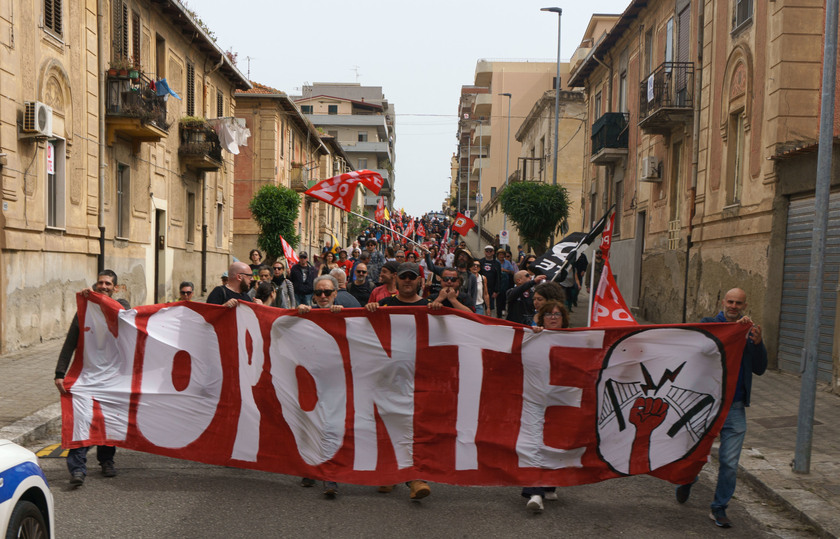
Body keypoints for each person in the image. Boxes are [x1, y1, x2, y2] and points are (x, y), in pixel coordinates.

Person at [675, 288, 767, 529]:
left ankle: (719, 508)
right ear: (723, 302)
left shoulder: (750, 331)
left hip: (735, 407)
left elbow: (760, 368)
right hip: (706, 405)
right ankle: (687, 479)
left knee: (729, 462)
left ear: (745, 306)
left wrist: (757, 343)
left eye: (739, 303)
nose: (734, 306)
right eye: (730, 301)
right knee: (695, 453)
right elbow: (698, 354)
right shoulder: (709, 324)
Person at [54, 270, 129, 486]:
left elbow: (124, 310)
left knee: (108, 420)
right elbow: (70, 343)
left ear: (115, 288)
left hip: (112, 377)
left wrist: (98, 301)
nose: (103, 286)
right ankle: (77, 470)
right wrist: (60, 373)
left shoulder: (121, 308)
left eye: (108, 283)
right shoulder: (82, 312)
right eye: (100, 283)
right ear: (95, 285)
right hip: (85, 376)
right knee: (80, 420)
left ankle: (107, 461)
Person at [365, 262, 432, 501]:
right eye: (403, 276)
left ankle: (416, 477)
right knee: (386, 425)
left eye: (412, 277)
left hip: (419, 378)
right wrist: (369, 310)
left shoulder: (429, 307)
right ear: (397, 278)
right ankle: (388, 475)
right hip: (386, 376)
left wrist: (445, 308)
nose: (407, 280)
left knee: (414, 428)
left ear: (419, 281)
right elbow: (362, 331)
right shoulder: (384, 305)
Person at [297, 275, 344, 497]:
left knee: (330, 428)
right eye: (318, 293)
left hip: (336, 383)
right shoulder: (304, 313)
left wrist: (345, 316)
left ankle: (330, 477)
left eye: (327, 292)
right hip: (308, 380)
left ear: (335, 293)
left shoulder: (347, 313)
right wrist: (296, 315)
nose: (323, 296)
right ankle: (310, 468)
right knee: (309, 425)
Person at [521, 299, 569, 511]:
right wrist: (532, 335)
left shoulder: (574, 339)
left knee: (555, 444)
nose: (552, 317)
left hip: (561, 402)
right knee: (533, 443)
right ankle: (535, 492)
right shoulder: (531, 335)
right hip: (533, 399)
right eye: (548, 314)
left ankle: (549, 484)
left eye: (557, 314)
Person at [479, 245, 501, 316]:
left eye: (490, 251)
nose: (488, 252)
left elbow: (498, 277)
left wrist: (496, 290)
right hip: (481, 288)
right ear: (484, 252)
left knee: (489, 308)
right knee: (480, 305)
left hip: (491, 289)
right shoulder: (481, 262)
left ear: (493, 252)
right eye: (487, 251)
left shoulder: (497, 263)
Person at [497, 249, 516, 317]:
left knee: (504, 296)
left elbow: (512, 271)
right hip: (498, 282)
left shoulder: (507, 263)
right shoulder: (496, 262)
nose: (501, 256)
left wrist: (504, 270)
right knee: (498, 298)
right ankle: (498, 313)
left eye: (503, 255)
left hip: (505, 283)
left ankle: (503, 309)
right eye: (500, 255)